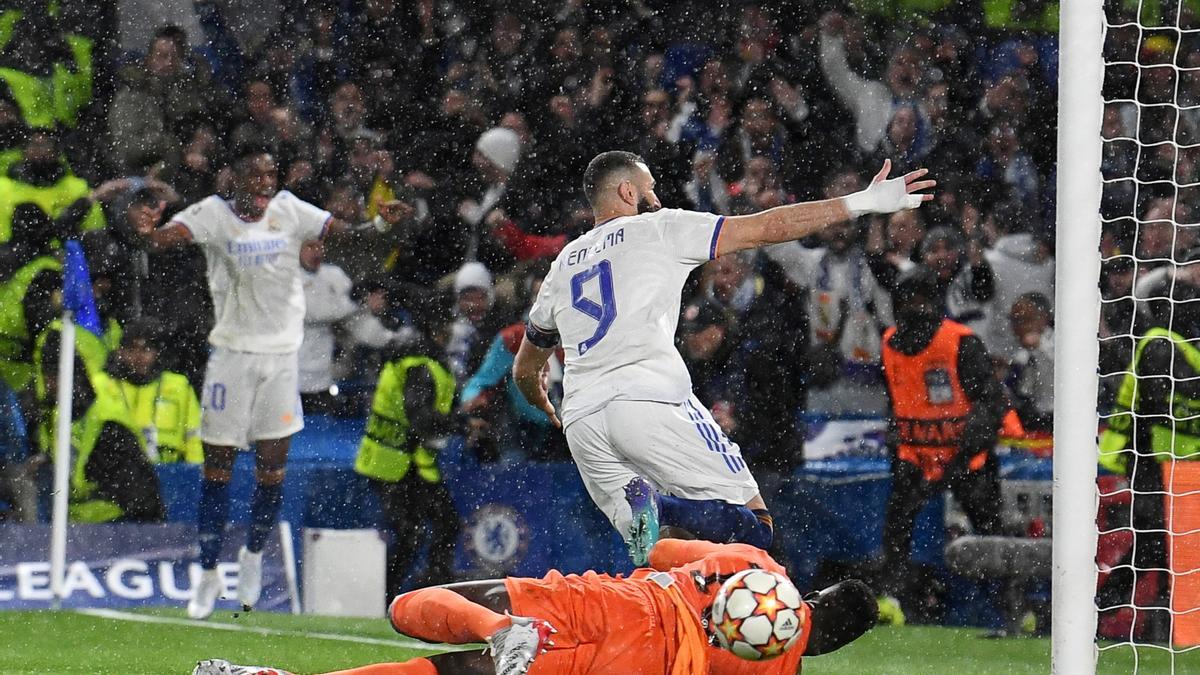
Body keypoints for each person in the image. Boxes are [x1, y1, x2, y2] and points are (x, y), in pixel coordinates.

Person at [513, 150, 933, 564]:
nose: (656, 199)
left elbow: (525, 369)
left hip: (583, 423)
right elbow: (769, 227)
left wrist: (544, 402)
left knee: (667, 553)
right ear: (626, 191)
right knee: (756, 526)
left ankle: (678, 605)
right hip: (646, 398)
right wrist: (864, 202)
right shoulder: (660, 228)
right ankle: (664, 508)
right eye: (649, 189)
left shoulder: (563, 264)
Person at [135, 143, 413, 620]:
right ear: (234, 178)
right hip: (231, 358)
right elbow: (161, 240)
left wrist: (383, 223)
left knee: (271, 469)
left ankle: (252, 558)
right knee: (217, 469)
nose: (266, 182)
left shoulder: (289, 209)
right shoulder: (212, 215)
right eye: (256, 174)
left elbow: (350, 235)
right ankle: (205, 575)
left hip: (281, 361)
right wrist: (142, 230)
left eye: (271, 174)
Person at [192, 539, 878, 675]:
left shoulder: (759, 564)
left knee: (408, 607)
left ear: (813, 594)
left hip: (606, 604)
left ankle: (501, 627)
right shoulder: (777, 669)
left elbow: (660, 547)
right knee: (452, 673)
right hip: (632, 668)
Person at [875, 266, 1007, 621]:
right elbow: (896, 398)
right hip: (916, 455)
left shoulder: (960, 341)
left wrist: (963, 454)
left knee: (990, 531)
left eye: (921, 300)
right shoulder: (889, 344)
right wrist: (896, 439)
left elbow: (992, 401)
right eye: (908, 301)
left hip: (966, 458)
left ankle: (1012, 607)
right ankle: (893, 600)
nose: (915, 308)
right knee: (897, 528)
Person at [356, 293, 460, 599]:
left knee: (436, 526)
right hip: (395, 462)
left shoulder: (414, 356)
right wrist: (460, 424)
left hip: (408, 461)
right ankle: (397, 596)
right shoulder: (421, 365)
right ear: (438, 329)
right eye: (447, 325)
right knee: (416, 532)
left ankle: (422, 591)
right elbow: (422, 420)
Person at [97, 318, 203, 464]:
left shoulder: (179, 386)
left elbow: (194, 437)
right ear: (119, 351)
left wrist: (194, 474)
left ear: (157, 352)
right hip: (119, 471)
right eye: (131, 349)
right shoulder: (102, 385)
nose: (138, 357)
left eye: (146, 349)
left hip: (172, 474)